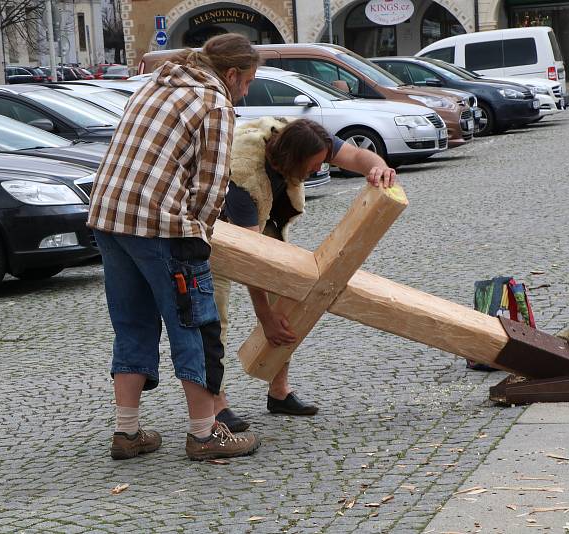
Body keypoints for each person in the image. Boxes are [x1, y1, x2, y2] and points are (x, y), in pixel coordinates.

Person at [87, 34, 261, 462]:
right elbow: (210, 185)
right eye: (249, 80)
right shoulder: (215, 103)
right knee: (195, 325)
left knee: (132, 324)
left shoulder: (155, 84)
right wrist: (199, 237)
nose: (247, 91)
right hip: (163, 227)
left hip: (109, 219)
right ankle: (204, 434)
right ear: (233, 73)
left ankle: (126, 433)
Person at [212, 117, 396, 432]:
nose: (318, 171)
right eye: (312, 167)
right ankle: (215, 404)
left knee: (288, 297)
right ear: (292, 160)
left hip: (262, 219)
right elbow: (252, 258)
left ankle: (279, 391)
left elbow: (355, 156)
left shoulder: (306, 138)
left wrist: (379, 167)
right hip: (212, 229)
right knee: (213, 317)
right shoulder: (244, 178)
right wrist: (265, 316)